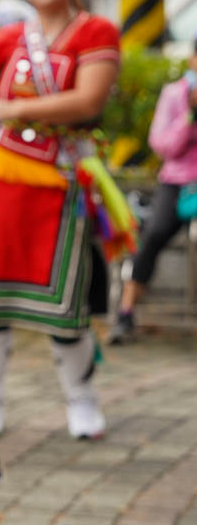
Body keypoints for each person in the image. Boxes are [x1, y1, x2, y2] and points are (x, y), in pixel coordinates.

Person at [0, 0, 121, 440]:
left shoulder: (96, 32)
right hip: (1, 181)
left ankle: (81, 399)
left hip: (61, 179)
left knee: (66, 299)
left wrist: (13, 111)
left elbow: (88, 99)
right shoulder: (9, 38)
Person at [110, 41, 197, 343]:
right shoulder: (175, 95)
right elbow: (161, 144)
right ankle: (126, 312)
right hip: (176, 181)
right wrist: (189, 117)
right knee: (153, 235)